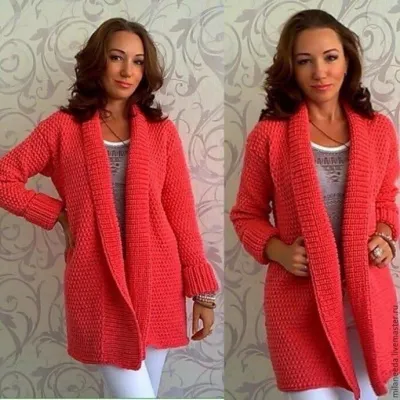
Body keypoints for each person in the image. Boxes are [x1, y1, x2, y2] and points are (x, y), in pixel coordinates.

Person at [0, 18, 219, 399]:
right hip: (98, 285)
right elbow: (4, 178)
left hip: (159, 284)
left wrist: (202, 293)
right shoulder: (62, 128)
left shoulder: (161, 132)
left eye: (137, 61)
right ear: (96, 61)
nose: (127, 71)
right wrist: (56, 214)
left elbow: (181, 216)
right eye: (116, 57)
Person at [230, 9, 399, 400]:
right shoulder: (268, 136)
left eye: (330, 57)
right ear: (291, 68)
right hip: (299, 308)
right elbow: (246, 215)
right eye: (305, 61)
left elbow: (385, 199)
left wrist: (385, 235)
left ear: (347, 61)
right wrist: (279, 251)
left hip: (367, 302)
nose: (320, 72)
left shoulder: (378, 130)